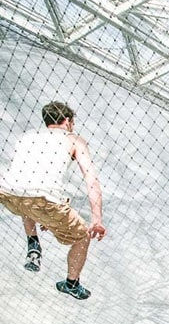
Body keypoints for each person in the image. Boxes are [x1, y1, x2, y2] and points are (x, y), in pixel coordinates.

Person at [0, 101, 106, 299]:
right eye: (72, 123)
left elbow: (29, 178)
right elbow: (91, 180)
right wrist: (97, 219)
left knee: (27, 198)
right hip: (43, 199)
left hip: (7, 192)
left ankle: (33, 243)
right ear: (67, 121)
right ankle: (71, 283)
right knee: (82, 236)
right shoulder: (74, 139)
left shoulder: (26, 137)